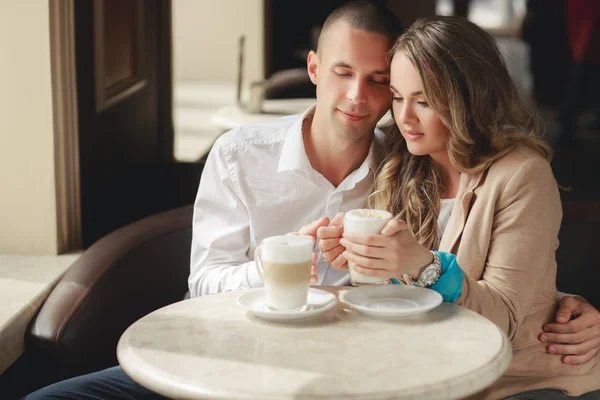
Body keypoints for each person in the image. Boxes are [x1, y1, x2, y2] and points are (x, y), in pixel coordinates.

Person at [25, 3, 598, 399]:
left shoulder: (398, 160)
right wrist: (281, 265)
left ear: (465, 97)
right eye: (395, 94)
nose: (370, 101)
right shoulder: (266, 157)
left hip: (380, 374)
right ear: (314, 69)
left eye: (383, 84)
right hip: (238, 355)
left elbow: (489, 286)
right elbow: (203, 284)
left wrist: (562, 302)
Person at [317, 16, 600, 399]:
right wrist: (359, 260)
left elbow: (500, 319)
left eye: (425, 101)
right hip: (434, 373)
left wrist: (419, 262)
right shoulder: (401, 162)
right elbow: (401, 299)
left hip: (521, 379)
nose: (405, 117)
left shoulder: (521, 175)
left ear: (470, 97)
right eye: (398, 97)